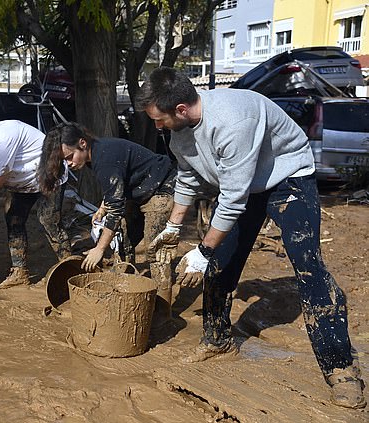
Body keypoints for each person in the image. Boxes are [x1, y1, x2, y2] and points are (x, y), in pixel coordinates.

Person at [135, 67, 366, 409]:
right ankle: (217, 340)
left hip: (287, 178)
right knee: (219, 263)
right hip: (243, 184)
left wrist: (202, 249)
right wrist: (173, 226)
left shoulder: (233, 119)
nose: (157, 126)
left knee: (308, 268)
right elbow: (188, 177)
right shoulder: (178, 132)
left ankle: (341, 369)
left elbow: (232, 200)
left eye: (159, 119)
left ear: (181, 109)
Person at [38, 122, 177, 316]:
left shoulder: (104, 158)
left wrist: (99, 249)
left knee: (156, 250)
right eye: (64, 161)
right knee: (123, 242)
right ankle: (124, 292)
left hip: (162, 185)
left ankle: (163, 313)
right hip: (138, 189)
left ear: (82, 143)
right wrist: (104, 206)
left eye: (69, 157)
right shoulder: (93, 156)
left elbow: (116, 210)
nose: (68, 163)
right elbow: (117, 185)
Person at [0, 107, 71, 288]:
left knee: (48, 220)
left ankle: (70, 268)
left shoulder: (3, 137)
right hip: (23, 182)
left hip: (49, 174)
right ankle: (20, 271)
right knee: (13, 219)